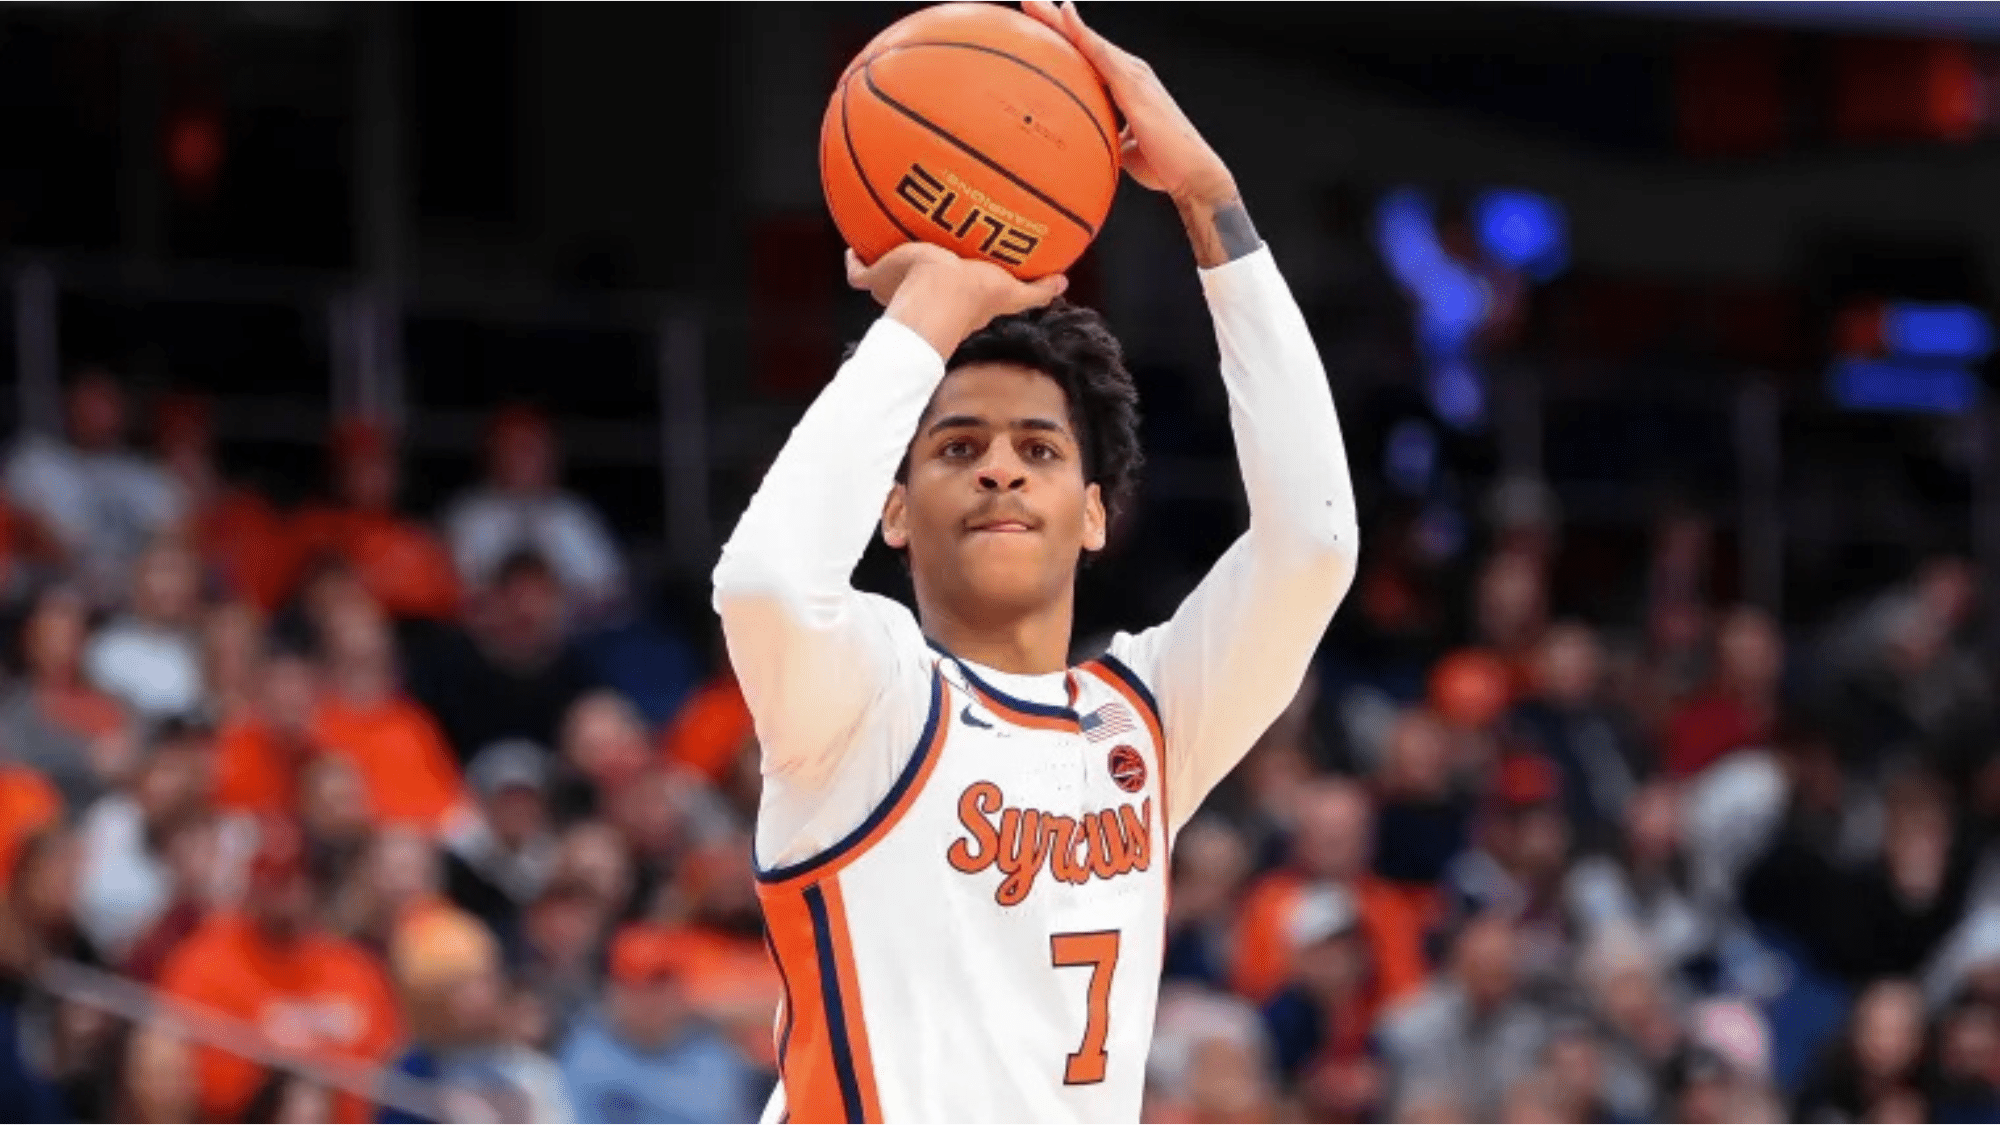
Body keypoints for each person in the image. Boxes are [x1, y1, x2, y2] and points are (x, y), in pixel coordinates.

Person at [712, 5, 1358, 1119]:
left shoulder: (1144, 723)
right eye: (958, 447)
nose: (1001, 470)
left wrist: (1210, 203)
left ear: (1095, 515)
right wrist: (927, 315)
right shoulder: (865, 696)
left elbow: (1314, 544)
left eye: (1040, 449)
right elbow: (767, 582)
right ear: (893, 509)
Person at [3, 368, 184, 604]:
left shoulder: (147, 476)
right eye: (88, 403)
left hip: (132, 595)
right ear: (68, 406)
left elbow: (173, 536)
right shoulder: (36, 461)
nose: (96, 413)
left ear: (123, 410)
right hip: (51, 591)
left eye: (104, 403)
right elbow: (17, 526)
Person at [558, 924, 761, 1124]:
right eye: (636, 987)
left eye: (660, 985)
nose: (650, 999)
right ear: (612, 990)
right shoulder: (588, 1057)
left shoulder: (716, 1053)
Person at [443, 405, 627, 619]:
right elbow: (453, 594)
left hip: (568, 631)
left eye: (531, 449)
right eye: (512, 448)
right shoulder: (468, 517)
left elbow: (610, 591)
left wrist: (553, 607)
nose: (522, 460)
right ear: (492, 454)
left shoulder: (573, 516)